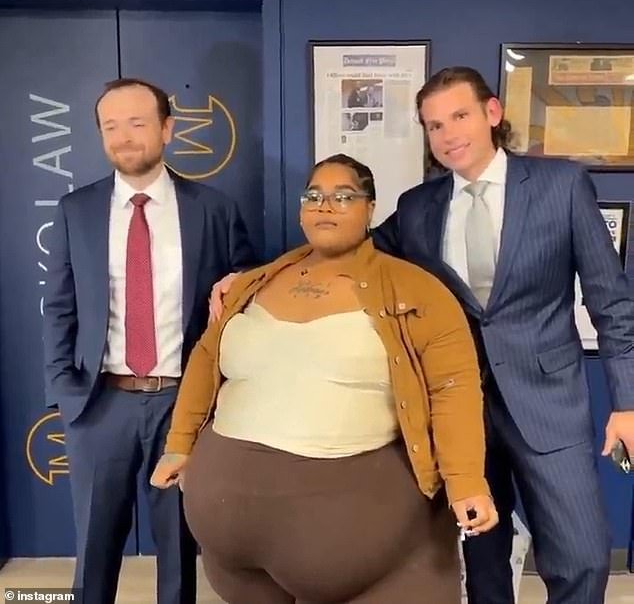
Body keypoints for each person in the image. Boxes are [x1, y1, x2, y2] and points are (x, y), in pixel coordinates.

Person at [151, 153, 498, 604]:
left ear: (370, 208)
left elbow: (452, 389)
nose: (325, 206)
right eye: (313, 196)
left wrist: (466, 482)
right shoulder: (253, 283)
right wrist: (179, 444)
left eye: (343, 196)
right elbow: (205, 360)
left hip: (357, 540)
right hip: (229, 537)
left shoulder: (418, 291)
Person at [373, 67, 634, 604]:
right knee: (483, 563)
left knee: (583, 558)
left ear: (492, 113)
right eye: (434, 125)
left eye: (459, 116)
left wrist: (628, 403)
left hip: (549, 403)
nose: (448, 134)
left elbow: (611, 303)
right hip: (461, 409)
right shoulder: (418, 207)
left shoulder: (561, 186)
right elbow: (354, 253)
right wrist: (255, 276)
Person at [42, 78, 257, 604]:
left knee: (179, 547)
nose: (123, 137)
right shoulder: (76, 210)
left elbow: (245, 294)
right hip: (100, 403)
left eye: (137, 123)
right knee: (94, 549)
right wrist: (65, 391)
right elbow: (61, 307)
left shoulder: (213, 209)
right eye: (110, 126)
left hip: (182, 403)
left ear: (166, 129)